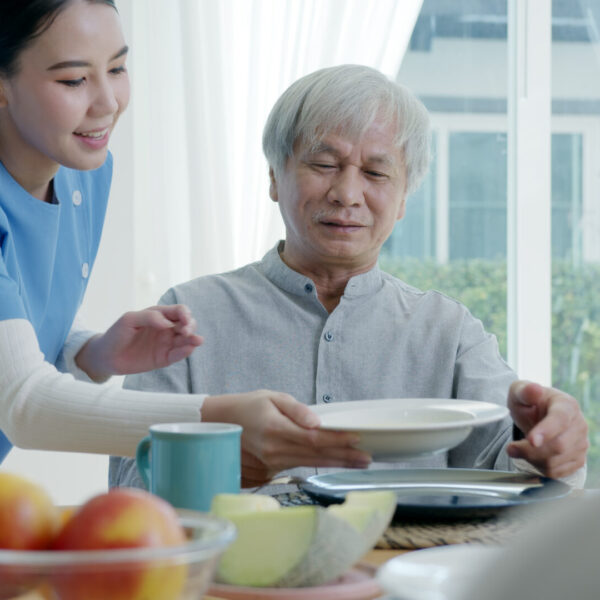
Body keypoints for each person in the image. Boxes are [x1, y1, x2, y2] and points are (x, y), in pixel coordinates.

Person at [110, 64, 588, 490]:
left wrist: (550, 445)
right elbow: (130, 489)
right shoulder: (189, 317)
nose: (347, 193)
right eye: (324, 164)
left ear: (403, 199)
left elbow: (510, 478)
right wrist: (217, 467)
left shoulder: (448, 332)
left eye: (377, 174)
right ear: (274, 177)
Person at [0, 1, 368, 479]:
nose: (108, 101)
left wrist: (90, 353)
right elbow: (24, 406)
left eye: (117, 68)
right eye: (73, 80)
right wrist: (217, 421)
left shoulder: (82, 176)